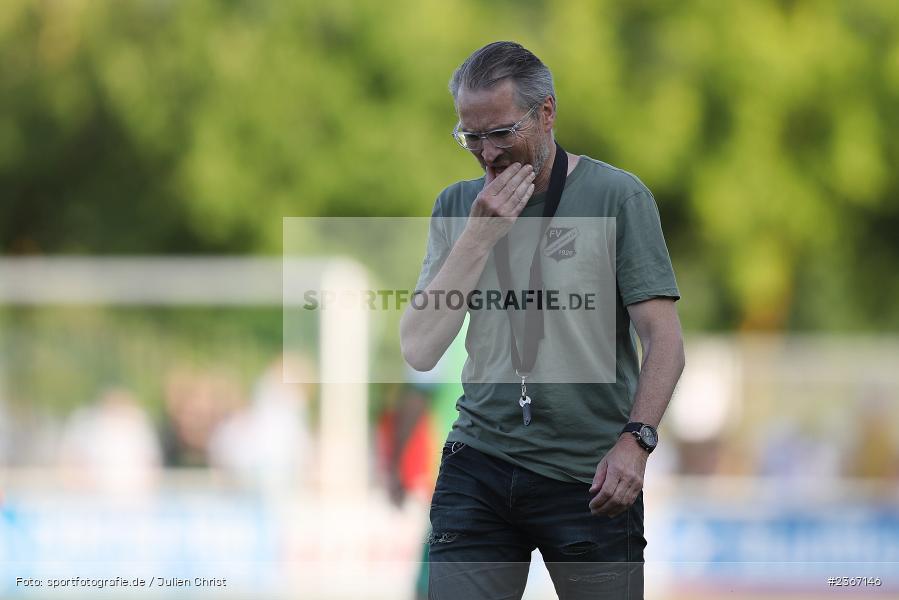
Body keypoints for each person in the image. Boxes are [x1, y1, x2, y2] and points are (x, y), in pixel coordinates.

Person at [400, 41, 685, 599]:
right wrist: (478, 237)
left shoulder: (617, 196)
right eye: (471, 136)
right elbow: (419, 348)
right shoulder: (457, 205)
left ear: (547, 112)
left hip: (592, 473)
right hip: (479, 461)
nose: (486, 153)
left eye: (502, 132)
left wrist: (637, 442)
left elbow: (665, 342)